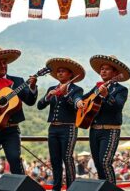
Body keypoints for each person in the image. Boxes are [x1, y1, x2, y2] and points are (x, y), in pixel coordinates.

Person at [78, 55, 130, 185]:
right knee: (97, 163)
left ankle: (112, 188)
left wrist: (107, 96)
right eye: (102, 69)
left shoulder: (121, 89)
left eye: (107, 69)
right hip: (94, 130)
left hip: (110, 130)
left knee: (105, 162)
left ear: (115, 73)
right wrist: (78, 101)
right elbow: (83, 98)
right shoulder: (96, 88)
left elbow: (117, 107)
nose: (103, 71)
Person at [37, 57, 84, 191]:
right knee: (55, 159)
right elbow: (40, 106)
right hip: (53, 128)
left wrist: (64, 95)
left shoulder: (76, 89)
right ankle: (56, 187)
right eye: (58, 71)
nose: (60, 73)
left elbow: (77, 103)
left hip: (68, 127)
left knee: (67, 158)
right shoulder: (52, 88)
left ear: (70, 74)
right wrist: (47, 97)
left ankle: (71, 188)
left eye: (63, 71)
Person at [0, 46, 38, 185]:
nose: (3, 65)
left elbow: (30, 101)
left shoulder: (18, 81)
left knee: (14, 159)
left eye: (5, 62)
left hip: (11, 129)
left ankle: (22, 187)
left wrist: (32, 87)